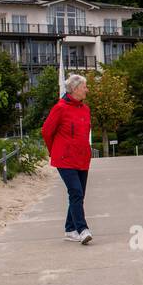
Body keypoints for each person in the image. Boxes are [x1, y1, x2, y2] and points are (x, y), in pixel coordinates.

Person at [41, 73, 94, 243]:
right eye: (84, 86)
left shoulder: (85, 109)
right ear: (75, 89)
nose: (87, 89)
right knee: (76, 192)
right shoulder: (60, 108)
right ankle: (82, 229)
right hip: (65, 158)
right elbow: (46, 131)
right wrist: (54, 150)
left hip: (82, 158)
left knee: (79, 194)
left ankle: (70, 229)